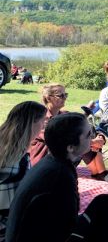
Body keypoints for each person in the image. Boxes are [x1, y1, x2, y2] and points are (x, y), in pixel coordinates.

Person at [6, 113, 93, 242]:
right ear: (70, 147)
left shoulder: (51, 162)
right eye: (88, 135)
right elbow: (67, 227)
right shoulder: (60, 175)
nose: (92, 137)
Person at [30, 83, 108, 184]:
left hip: (60, 157)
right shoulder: (41, 118)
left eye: (65, 95)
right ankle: (100, 173)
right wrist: (92, 142)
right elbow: (59, 140)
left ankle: (99, 172)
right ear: (48, 98)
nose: (64, 98)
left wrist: (99, 136)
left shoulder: (64, 114)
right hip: (44, 161)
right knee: (82, 141)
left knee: (89, 130)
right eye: (61, 96)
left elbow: (77, 124)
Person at [0, 101, 46, 238]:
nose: (43, 126)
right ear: (32, 123)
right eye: (42, 121)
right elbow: (11, 208)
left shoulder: (8, 149)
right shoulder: (16, 162)